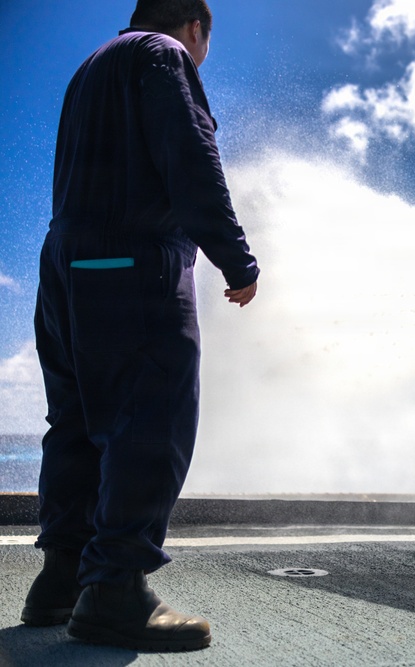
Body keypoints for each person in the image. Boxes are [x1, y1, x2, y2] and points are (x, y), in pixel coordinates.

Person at [20, 0, 259, 652]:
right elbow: (190, 155)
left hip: (65, 271)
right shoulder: (163, 54)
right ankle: (116, 589)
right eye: (206, 41)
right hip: (132, 266)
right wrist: (237, 259)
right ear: (194, 27)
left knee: (75, 422)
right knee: (152, 417)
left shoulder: (90, 66)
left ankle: (61, 578)